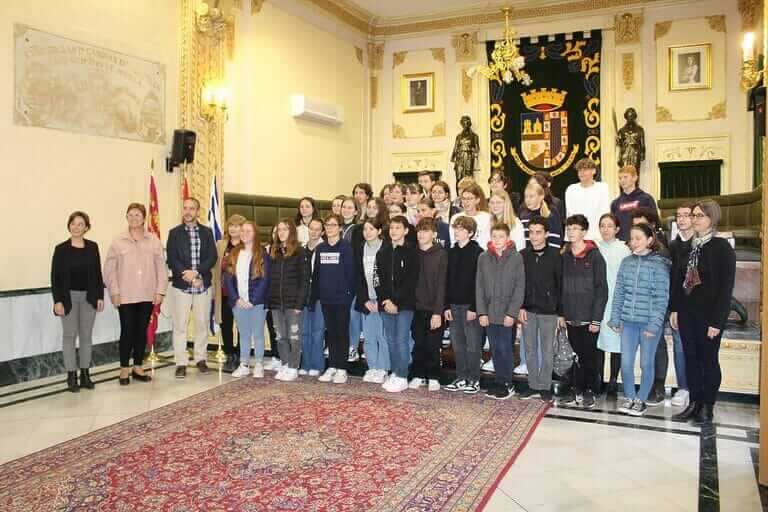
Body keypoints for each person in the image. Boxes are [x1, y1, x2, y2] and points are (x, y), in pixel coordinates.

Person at [670, 200, 735, 425]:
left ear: (712, 218)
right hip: (687, 313)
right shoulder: (689, 246)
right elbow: (679, 280)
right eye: (693, 215)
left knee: (708, 360)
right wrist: (675, 308)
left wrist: (717, 321)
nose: (694, 219)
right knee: (691, 359)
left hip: (709, 316)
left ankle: (707, 406)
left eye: (699, 216)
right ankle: (694, 403)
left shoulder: (721, 247)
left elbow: (726, 289)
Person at [610, 223, 671, 417]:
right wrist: (615, 318)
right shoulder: (626, 262)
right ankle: (629, 397)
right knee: (626, 363)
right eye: (632, 239)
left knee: (646, 363)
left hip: (648, 324)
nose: (634, 242)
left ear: (649, 240)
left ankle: (641, 400)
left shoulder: (659, 264)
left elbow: (662, 298)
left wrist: (654, 325)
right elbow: (619, 292)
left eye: (638, 238)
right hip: (628, 322)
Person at [103, 203, 167, 385]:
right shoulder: (118, 241)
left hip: (147, 295)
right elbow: (109, 270)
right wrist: (114, 292)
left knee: (141, 331)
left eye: (137, 215)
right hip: (125, 295)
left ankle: (138, 366)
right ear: (126, 217)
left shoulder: (153, 241)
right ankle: (124, 368)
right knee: (127, 330)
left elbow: (161, 268)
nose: (134, 218)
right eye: (130, 215)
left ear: (144, 218)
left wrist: (160, 291)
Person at [51, 211, 105, 392]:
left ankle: (85, 375)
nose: (76, 227)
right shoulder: (61, 249)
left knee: (86, 336)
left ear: (86, 227)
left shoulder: (92, 247)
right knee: (69, 336)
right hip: (68, 298)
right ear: (69, 226)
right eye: (73, 223)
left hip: (89, 297)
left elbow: (97, 274)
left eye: (81, 224)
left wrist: (99, 296)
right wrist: (57, 301)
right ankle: (71, 375)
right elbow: (55, 277)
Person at [560, 214, 608, 409]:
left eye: (575, 228)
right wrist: (560, 314)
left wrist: (596, 319)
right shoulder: (564, 256)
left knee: (589, 356)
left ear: (584, 232)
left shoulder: (595, 256)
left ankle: (590, 390)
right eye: (568, 228)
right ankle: (575, 388)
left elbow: (601, 289)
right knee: (574, 355)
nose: (571, 232)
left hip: (588, 318)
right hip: (570, 316)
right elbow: (559, 286)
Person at [166, 197, 218, 379]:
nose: (187, 212)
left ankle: (201, 359)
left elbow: (212, 257)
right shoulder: (174, 233)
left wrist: (197, 274)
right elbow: (172, 259)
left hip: (202, 285)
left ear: (198, 211)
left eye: (192, 208)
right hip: (182, 286)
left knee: (202, 324)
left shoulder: (207, 232)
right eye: (185, 208)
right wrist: (188, 276)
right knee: (180, 325)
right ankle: (181, 362)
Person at [476, 222, 525, 400]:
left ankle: (507, 382)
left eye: (501, 237)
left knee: (505, 348)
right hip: (489, 313)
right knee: (495, 348)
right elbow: (479, 287)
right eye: (494, 236)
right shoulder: (483, 257)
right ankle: (499, 380)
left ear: (508, 238)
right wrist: (482, 312)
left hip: (506, 313)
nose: (497, 240)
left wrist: (512, 313)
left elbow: (519, 288)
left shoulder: (516, 257)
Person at [517, 217, 561, 403]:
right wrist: (519, 306)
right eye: (531, 232)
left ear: (546, 234)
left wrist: (560, 312)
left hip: (549, 311)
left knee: (547, 350)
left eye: (538, 232)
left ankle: (545, 386)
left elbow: (560, 285)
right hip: (527, 310)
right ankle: (533, 384)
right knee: (530, 349)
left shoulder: (556, 256)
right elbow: (518, 284)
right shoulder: (523, 255)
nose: (534, 236)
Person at [629, 207, 669, 405]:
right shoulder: (633, 248)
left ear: (652, 226)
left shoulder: (661, 251)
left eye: (641, 225)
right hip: (636, 307)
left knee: (657, 345)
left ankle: (658, 385)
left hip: (654, 307)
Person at [376, 215, 419, 393]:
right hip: (385, 304)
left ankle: (402, 375)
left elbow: (411, 281)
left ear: (406, 231)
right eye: (392, 228)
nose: (394, 231)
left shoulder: (412, 252)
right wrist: (385, 300)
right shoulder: (382, 252)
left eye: (398, 228)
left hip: (404, 305)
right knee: (391, 340)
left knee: (401, 339)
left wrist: (395, 301)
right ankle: (395, 372)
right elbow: (377, 278)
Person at [443, 216, 484, 394]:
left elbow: (479, 283)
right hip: (453, 305)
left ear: (471, 233)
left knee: (472, 345)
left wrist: (475, 307)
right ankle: (461, 376)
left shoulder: (478, 253)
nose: (457, 232)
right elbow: (446, 281)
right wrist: (446, 306)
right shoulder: (450, 252)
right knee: (458, 344)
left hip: (470, 306)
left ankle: (474, 379)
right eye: (456, 228)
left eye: (461, 229)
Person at [312, 214, 355, 384]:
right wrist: (316, 296)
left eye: (333, 225)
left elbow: (351, 275)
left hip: (342, 299)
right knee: (330, 333)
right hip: (326, 299)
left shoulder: (346, 248)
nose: (329, 228)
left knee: (341, 332)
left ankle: (341, 368)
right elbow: (317, 274)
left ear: (340, 228)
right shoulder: (320, 248)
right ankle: (332, 365)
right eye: (327, 225)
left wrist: (348, 295)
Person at [225, 221, 270, 379]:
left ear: (255, 233)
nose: (244, 234)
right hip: (238, 303)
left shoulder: (262, 254)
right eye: (242, 231)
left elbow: (265, 279)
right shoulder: (234, 253)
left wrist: (253, 300)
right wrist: (236, 299)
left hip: (257, 303)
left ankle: (258, 364)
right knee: (243, 334)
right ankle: (244, 364)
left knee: (257, 334)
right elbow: (228, 278)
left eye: (248, 231)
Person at [409, 218, 448, 392]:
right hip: (416, 308)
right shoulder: (413, 253)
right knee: (419, 344)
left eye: (425, 231)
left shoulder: (441, 254)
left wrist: (438, 312)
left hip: (433, 309)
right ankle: (418, 375)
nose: (421, 234)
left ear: (434, 234)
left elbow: (442, 285)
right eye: (419, 231)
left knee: (433, 345)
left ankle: (433, 376)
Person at [268, 219, 309, 381]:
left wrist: (300, 303)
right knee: (280, 336)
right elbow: (270, 279)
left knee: (294, 337)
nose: (282, 232)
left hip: (293, 303)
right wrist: (270, 301)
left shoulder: (300, 252)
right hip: (276, 303)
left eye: (285, 229)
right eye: (279, 230)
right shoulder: (274, 252)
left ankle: (293, 366)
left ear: (291, 231)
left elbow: (304, 280)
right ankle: (285, 364)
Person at [595, 213, 630, 398]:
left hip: (617, 301)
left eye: (610, 226)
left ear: (617, 229)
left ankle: (613, 381)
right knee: (598, 342)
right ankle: (599, 379)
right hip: (598, 301)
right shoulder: (595, 248)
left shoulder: (624, 249)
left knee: (616, 343)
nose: (606, 229)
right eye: (602, 225)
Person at [355, 219, 390, 384]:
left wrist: (381, 300)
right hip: (366, 300)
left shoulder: (386, 248)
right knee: (369, 336)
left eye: (371, 229)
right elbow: (357, 277)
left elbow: (389, 278)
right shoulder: (359, 249)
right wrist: (364, 299)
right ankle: (372, 367)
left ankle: (383, 367)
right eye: (365, 229)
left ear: (379, 231)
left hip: (381, 300)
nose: (367, 232)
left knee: (382, 336)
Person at [668, 203, 695, 408]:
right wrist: (674, 308)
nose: (682, 219)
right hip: (678, 306)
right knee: (680, 347)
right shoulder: (672, 246)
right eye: (679, 215)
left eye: (686, 215)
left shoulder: (702, 244)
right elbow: (673, 280)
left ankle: (697, 388)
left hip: (698, 305)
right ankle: (683, 387)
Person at [212, 214, 245, 372]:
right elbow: (214, 268)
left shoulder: (247, 244)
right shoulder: (221, 244)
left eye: (237, 226)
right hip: (224, 293)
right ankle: (230, 354)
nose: (233, 228)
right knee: (225, 325)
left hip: (241, 295)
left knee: (242, 326)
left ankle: (240, 355)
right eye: (231, 225)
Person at [300, 218, 326, 376]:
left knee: (317, 331)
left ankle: (317, 364)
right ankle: (306, 363)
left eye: (318, 229)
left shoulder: (324, 249)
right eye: (312, 228)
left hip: (319, 295)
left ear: (322, 232)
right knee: (304, 331)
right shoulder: (302, 249)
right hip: (304, 294)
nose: (314, 232)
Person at [565, 158, 611, 241]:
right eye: (579, 170)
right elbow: (570, 215)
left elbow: (605, 212)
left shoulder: (603, 188)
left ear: (594, 171)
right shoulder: (571, 189)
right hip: (577, 237)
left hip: (598, 237)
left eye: (585, 170)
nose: (581, 173)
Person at [610, 165, 658, 241]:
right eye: (620, 178)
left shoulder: (646, 199)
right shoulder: (615, 203)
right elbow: (613, 227)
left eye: (625, 177)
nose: (622, 180)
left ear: (635, 178)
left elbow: (655, 224)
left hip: (641, 243)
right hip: (621, 243)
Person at [519, 183, 562, 249]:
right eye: (526, 197)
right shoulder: (523, 217)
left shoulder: (550, 216)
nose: (528, 200)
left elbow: (555, 242)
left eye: (531, 196)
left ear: (541, 197)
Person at [449, 183, 491, 248]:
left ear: (477, 200)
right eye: (464, 199)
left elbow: (488, 241)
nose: (466, 202)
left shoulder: (486, 217)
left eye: (470, 198)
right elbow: (453, 241)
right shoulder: (455, 218)